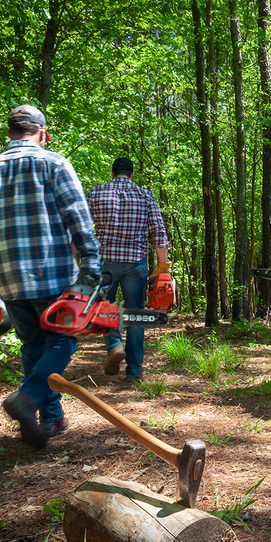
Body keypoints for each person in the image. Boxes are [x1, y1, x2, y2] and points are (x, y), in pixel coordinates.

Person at [0, 104, 102, 449]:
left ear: (10, 133)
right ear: (43, 133)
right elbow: (77, 215)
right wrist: (91, 263)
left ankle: (50, 420)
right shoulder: (53, 162)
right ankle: (28, 398)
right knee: (63, 341)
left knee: (33, 345)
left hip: (7, 278)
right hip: (52, 272)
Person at [86, 157, 169, 381]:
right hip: (136, 263)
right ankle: (134, 371)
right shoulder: (145, 195)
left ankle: (114, 345)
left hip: (105, 262)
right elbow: (159, 233)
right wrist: (163, 267)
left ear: (112, 173)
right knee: (135, 313)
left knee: (105, 307)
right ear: (132, 174)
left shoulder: (95, 193)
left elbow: (81, 228)